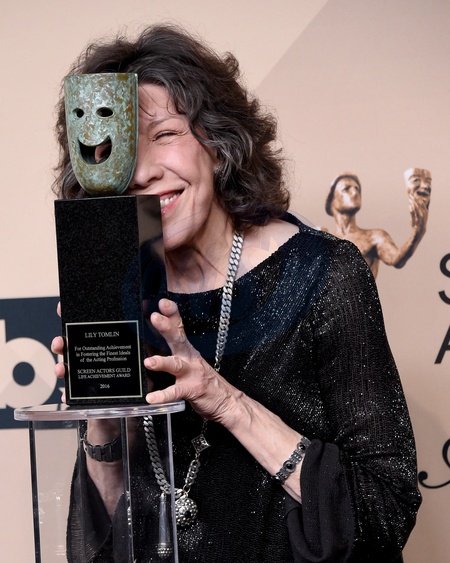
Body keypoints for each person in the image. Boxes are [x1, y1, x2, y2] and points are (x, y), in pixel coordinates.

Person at [51, 24, 421, 562]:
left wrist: (225, 402)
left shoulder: (323, 274)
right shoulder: (123, 293)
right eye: (117, 149)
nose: (142, 172)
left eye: (164, 135)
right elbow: (104, 540)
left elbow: (385, 512)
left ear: (218, 144)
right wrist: (105, 411)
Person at [324, 171, 430, 278]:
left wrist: (417, 233)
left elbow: (397, 259)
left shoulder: (374, 237)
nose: (355, 193)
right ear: (332, 201)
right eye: (346, 189)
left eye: (357, 189)